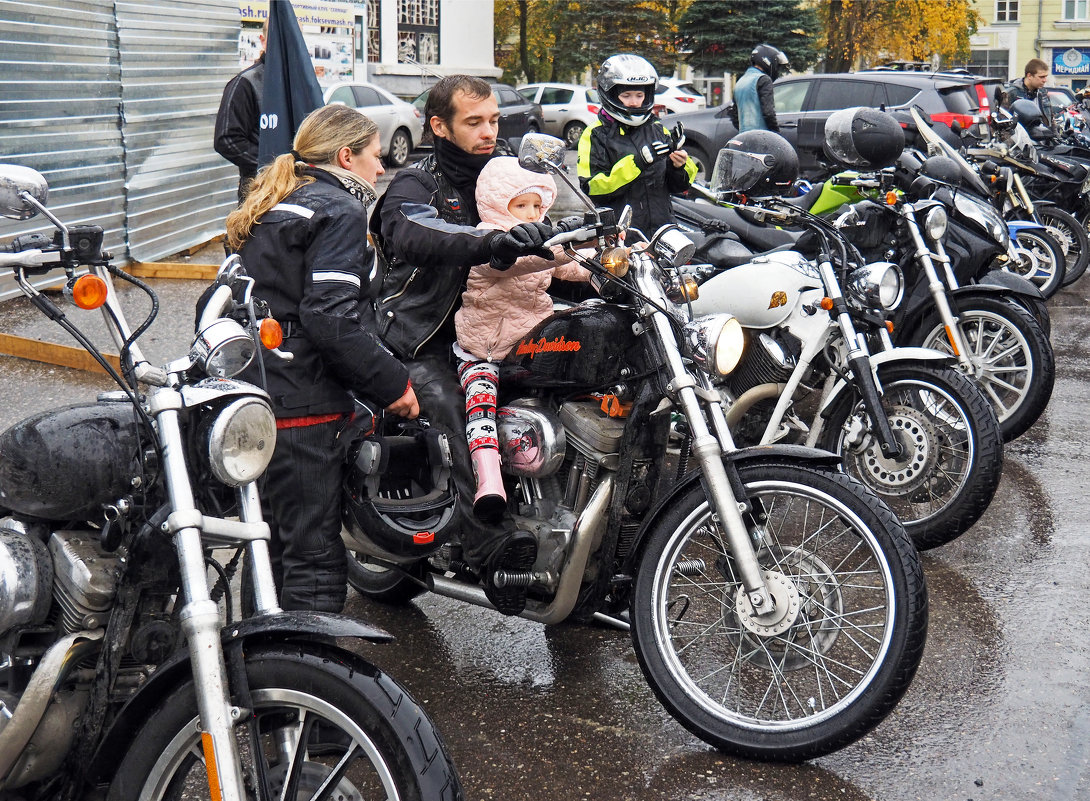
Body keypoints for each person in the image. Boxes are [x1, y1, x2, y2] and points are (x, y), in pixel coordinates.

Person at [370, 74, 557, 616]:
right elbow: (415, 232)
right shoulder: (416, 183)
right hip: (423, 336)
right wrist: (491, 241)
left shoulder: (509, 175)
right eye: (473, 122)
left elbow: (557, 213)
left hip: (503, 324)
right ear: (439, 126)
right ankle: (488, 546)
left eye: (493, 120)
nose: (487, 132)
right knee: (454, 406)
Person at [225, 103, 419, 613]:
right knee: (312, 553)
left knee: (268, 542)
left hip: (251, 396)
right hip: (304, 402)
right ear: (345, 155)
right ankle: (310, 677)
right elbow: (331, 319)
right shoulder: (340, 212)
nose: (382, 169)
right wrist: (394, 385)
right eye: (376, 157)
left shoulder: (274, 202)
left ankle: (260, 666)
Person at [454, 157, 591, 522]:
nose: (531, 213)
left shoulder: (542, 240)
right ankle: (489, 479)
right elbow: (521, 262)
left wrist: (607, 258)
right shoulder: (487, 240)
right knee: (480, 402)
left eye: (536, 205)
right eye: (521, 205)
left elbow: (570, 264)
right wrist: (558, 243)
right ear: (499, 205)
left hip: (531, 344)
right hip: (486, 347)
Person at [577, 54, 697, 236]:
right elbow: (593, 187)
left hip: (663, 230)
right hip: (620, 236)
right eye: (626, 95)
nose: (634, 102)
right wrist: (636, 164)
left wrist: (678, 166)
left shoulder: (658, 129)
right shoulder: (595, 134)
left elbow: (679, 187)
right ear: (610, 94)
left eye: (639, 95)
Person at [215, 19, 267, 203]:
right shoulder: (246, 83)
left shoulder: (299, 83)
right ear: (263, 40)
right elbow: (227, 139)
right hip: (259, 193)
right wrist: (270, 166)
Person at [728, 44, 790, 133]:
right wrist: (776, 133)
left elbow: (734, 115)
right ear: (768, 61)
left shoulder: (740, 81)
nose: (777, 68)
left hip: (744, 136)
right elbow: (768, 113)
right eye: (777, 64)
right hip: (762, 136)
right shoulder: (764, 80)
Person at [1003, 58, 1054, 130]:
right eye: (1041, 77)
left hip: (1043, 138)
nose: (1044, 80)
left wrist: (1056, 137)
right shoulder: (1011, 94)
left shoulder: (1043, 94)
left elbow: (1051, 121)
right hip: (1021, 139)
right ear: (1029, 76)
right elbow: (1003, 124)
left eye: (1046, 76)